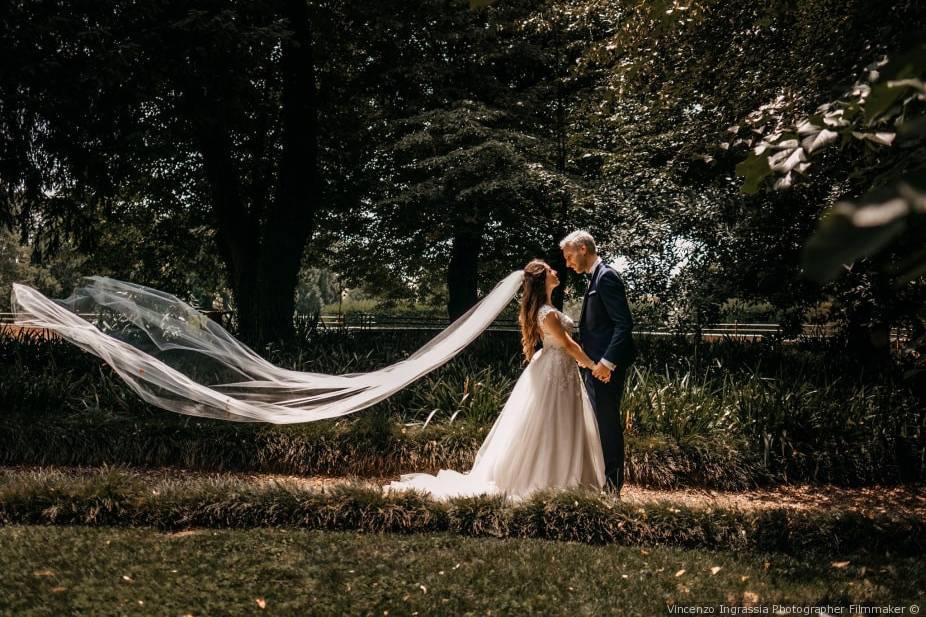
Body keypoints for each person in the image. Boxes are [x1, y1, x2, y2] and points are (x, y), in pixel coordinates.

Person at [385, 259, 606, 500]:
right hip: (555, 370)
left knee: (557, 421)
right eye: (550, 270)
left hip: (558, 369)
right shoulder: (548, 313)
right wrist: (594, 366)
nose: (556, 271)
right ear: (543, 279)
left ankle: (563, 476)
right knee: (551, 421)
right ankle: (550, 478)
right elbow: (568, 344)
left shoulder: (547, 308)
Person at [560, 230, 636, 495]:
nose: (568, 263)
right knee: (599, 425)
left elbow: (623, 325)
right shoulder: (595, 279)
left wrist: (606, 363)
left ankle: (613, 489)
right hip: (595, 368)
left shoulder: (606, 277)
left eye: (569, 256)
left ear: (583, 249)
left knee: (607, 425)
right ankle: (602, 482)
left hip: (606, 369)